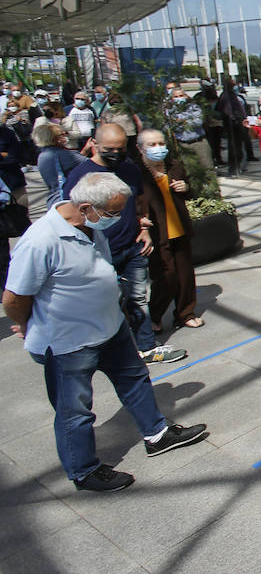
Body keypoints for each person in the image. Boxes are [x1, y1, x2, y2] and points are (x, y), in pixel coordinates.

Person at [2, 172, 208, 492]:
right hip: (68, 342)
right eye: (112, 213)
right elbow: (14, 298)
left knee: (135, 379)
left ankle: (157, 435)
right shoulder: (40, 241)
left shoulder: (89, 225)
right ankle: (83, 470)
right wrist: (27, 324)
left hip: (110, 327)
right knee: (75, 410)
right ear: (85, 207)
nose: (115, 219)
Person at [63, 124, 185, 364]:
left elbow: (139, 200)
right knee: (106, 302)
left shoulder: (129, 168)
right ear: (94, 144)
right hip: (99, 252)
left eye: (121, 148)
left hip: (132, 246)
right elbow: (70, 213)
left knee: (139, 298)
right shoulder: (81, 175)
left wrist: (143, 228)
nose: (116, 153)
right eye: (110, 149)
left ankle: (147, 347)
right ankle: (113, 351)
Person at [135, 129, 203, 331]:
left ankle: (185, 313)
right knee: (166, 276)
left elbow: (190, 189)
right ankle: (155, 315)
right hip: (157, 233)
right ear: (140, 149)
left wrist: (186, 188)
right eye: (152, 145)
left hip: (179, 229)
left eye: (161, 143)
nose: (158, 148)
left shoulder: (173, 166)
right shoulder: (137, 173)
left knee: (185, 276)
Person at [34, 122, 84, 210]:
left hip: (55, 198)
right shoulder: (62, 155)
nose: (65, 136)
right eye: (61, 134)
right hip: (70, 199)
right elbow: (91, 163)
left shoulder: (43, 155)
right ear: (54, 139)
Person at [166, 86, 213, 172]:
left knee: (207, 169)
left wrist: (182, 122)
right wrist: (188, 120)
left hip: (199, 143)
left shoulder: (193, 107)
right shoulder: (170, 111)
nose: (179, 98)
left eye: (181, 95)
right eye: (176, 97)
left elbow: (198, 122)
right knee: (189, 171)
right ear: (172, 98)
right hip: (183, 145)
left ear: (185, 96)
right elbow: (174, 127)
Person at [193, 80, 226, 166]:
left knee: (217, 143)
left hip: (216, 124)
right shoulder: (199, 97)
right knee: (210, 144)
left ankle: (218, 158)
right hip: (205, 125)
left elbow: (219, 111)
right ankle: (212, 160)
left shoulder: (215, 97)